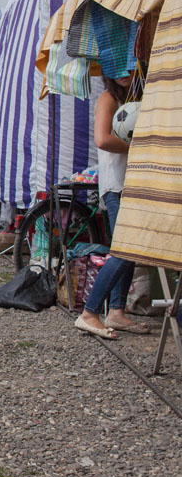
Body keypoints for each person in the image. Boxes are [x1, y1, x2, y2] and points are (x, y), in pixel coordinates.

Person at [75, 74, 149, 339]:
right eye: (118, 67)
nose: (125, 73)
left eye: (129, 67)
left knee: (129, 251)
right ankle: (89, 313)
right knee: (124, 251)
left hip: (132, 185)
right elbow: (102, 139)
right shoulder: (108, 98)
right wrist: (142, 146)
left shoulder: (136, 99)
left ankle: (116, 312)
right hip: (117, 185)